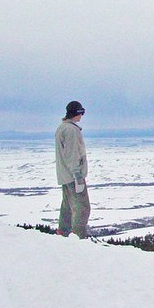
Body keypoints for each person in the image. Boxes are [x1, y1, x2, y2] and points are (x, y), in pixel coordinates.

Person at [55, 100, 90, 238]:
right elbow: (72, 154)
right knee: (82, 208)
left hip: (65, 175)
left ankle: (63, 232)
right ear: (77, 113)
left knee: (68, 206)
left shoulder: (62, 128)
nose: (82, 116)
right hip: (73, 176)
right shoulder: (71, 130)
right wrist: (78, 176)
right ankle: (79, 237)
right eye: (81, 112)